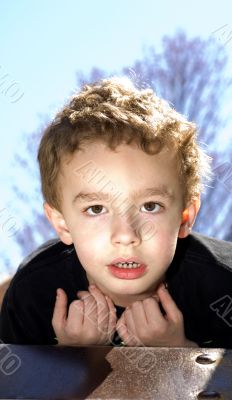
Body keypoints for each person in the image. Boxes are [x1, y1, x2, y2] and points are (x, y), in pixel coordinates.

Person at [1, 77, 232, 348]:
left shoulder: (223, 286)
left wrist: (180, 354)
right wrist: (70, 358)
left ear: (185, 217)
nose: (125, 235)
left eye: (150, 206)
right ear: (62, 224)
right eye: (96, 209)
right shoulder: (34, 292)